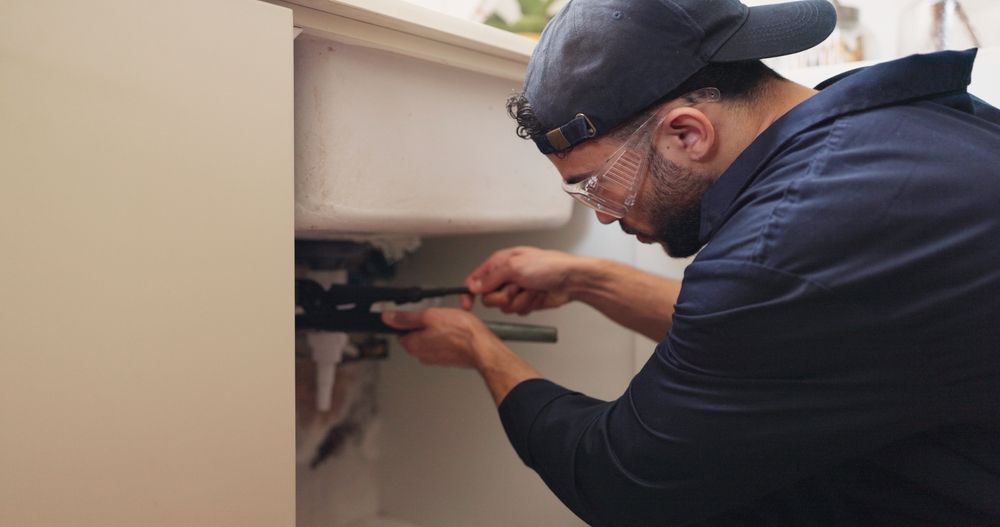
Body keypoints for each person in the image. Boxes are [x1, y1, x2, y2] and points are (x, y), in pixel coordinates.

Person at [383, 0, 1000, 524]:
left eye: (596, 185)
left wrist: (480, 349)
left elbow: (620, 479)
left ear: (687, 134)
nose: (600, 215)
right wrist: (586, 277)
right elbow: (779, 339)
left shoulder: (784, 241)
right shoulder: (890, 131)